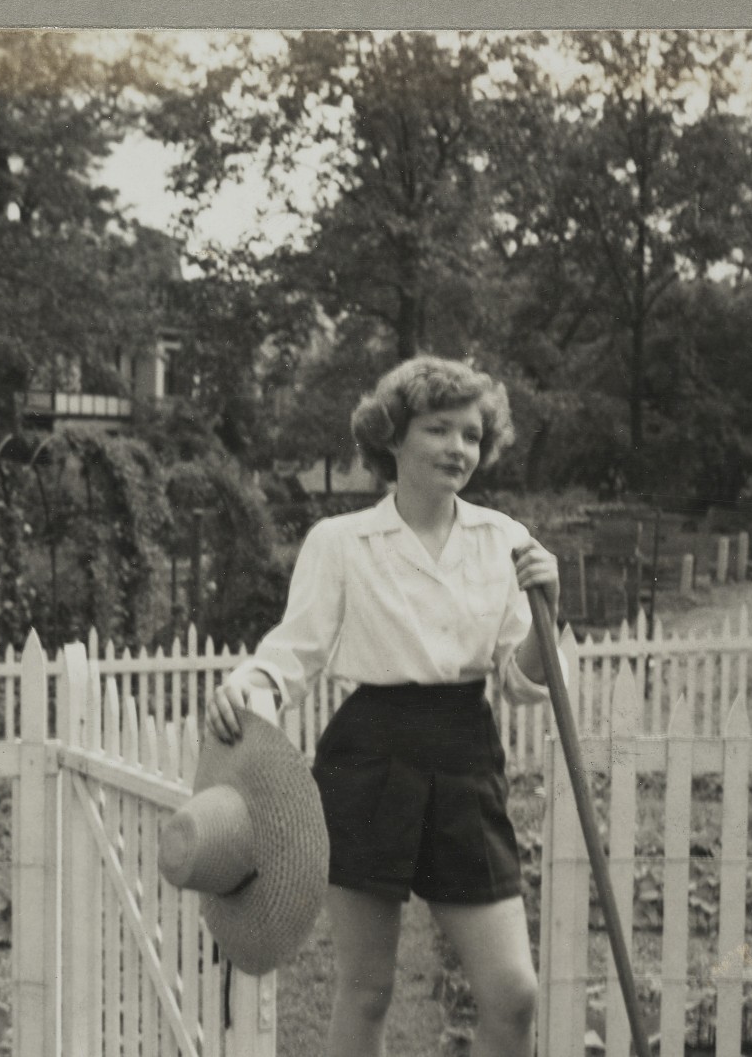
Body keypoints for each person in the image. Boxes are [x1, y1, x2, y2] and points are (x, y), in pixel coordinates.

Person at [210, 355, 563, 1057]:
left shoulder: (505, 541)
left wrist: (546, 602)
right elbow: (293, 654)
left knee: (512, 992)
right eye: (438, 429)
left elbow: (521, 679)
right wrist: (245, 689)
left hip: (465, 756)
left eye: (470, 433)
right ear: (392, 436)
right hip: (368, 758)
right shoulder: (340, 543)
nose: (457, 447)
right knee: (367, 988)